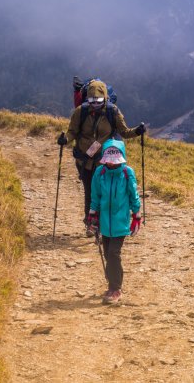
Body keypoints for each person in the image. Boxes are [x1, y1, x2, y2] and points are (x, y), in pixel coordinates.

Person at [57, 79, 145, 235]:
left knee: (104, 192)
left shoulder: (113, 111)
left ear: (105, 97)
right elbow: (72, 132)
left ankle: (102, 224)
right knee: (90, 192)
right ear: (87, 98)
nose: (95, 104)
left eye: (98, 100)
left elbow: (124, 132)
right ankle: (90, 223)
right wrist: (65, 139)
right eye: (92, 100)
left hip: (106, 161)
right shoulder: (80, 111)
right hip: (84, 160)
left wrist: (137, 131)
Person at [87, 137, 142, 305]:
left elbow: (133, 196)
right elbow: (95, 196)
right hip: (104, 222)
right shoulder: (100, 173)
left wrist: (136, 216)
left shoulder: (127, 173)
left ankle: (116, 289)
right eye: (108, 160)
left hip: (120, 222)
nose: (111, 163)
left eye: (114, 160)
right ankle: (113, 284)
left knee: (113, 253)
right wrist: (93, 215)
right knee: (107, 254)